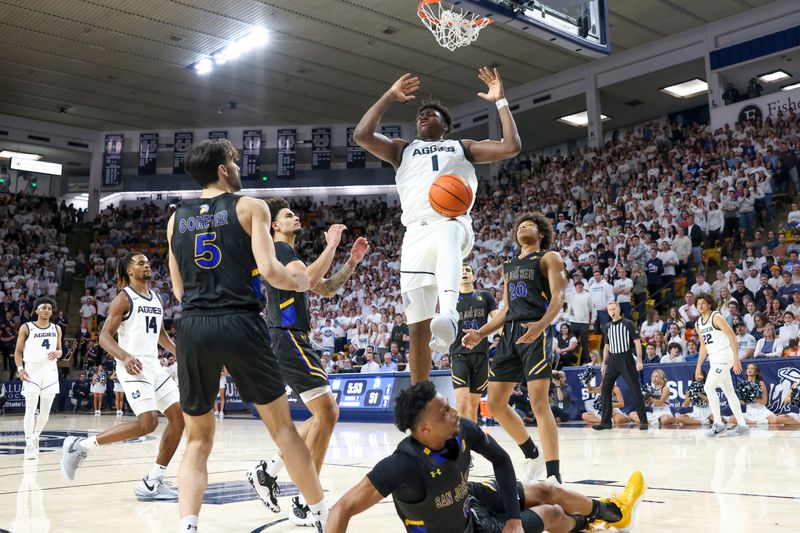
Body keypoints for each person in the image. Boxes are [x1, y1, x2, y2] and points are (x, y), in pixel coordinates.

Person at [165, 138, 328, 531]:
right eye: (235, 161)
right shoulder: (251, 206)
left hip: (193, 325)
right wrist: (301, 283)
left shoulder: (175, 219)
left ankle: (188, 524)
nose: (238, 168)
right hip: (239, 321)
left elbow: (178, 290)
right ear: (223, 168)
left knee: (198, 440)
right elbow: (272, 273)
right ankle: (320, 514)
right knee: (284, 429)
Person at [354, 67, 521, 383]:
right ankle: (420, 396)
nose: (423, 118)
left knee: (446, 230)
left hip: (452, 221)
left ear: (445, 126)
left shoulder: (463, 147)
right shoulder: (402, 149)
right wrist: (390, 95)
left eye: (431, 115)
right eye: (420, 115)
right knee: (417, 327)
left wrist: (501, 102)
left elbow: (510, 146)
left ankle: (450, 314)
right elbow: (361, 135)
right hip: (415, 233)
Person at [326, 381, 645, 533]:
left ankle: (615, 512)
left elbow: (503, 460)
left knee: (547, 489)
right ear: (423, 430)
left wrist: (514, 519)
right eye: (444, 411)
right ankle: (585, 525)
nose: (454, 412)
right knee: (550, 512)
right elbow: (341, 509)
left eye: (449, 405)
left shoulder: (460, 429)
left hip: (468, 499)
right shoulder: (403, 465)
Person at [247, 196, 368, 525]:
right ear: (275, 225)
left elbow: (326, 288)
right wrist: (331, 245)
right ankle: (306, 501)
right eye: (288, 215)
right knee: (327, 412)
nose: (295, 217)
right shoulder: (280, 250)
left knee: (320, 417)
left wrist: (351, 263)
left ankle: (271, 472)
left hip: (292, 337)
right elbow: (311, 281)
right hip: (286, 336)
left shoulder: (289, 255)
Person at [61, 252, 186, 501]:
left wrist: (180, 354)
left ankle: (152, 482)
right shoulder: (123, 298)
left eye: (147, 261)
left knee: (179, 418)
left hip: (154, 367)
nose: (146, 264)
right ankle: (80, 446)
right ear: (129, 271)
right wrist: (126, 357)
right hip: (132, 366)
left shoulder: (157, 297)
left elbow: (161, 335)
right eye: (140, 262)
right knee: (147, 424)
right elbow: (105, 336)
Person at [463, 212, 566, 484]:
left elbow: (559, 296)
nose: (523, 227)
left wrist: (541, 326)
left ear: (541, 233)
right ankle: (532, 454)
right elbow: (505, 310)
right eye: (519, 225)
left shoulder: (548, 258)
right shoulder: (508, 265)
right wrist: (480, 333)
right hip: (509, 335)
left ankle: (554, 474)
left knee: (539, 402)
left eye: (529, 224)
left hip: (536, 330)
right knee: (495, 403)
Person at [693, 293, 749, 437]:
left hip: (725, 355)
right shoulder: (698, 323)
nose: (700, 305)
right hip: (714, 359)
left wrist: (736, 360)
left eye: (703, 303)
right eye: (698, 303)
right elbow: (703, 346)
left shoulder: (716, 317)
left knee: (708, 387)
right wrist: (698, 366)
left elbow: (732, 336)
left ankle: (718, 423)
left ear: (709, 304)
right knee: (729, 391)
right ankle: (742, 424)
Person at [14, 297, 62, 459]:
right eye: (43, 307)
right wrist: (20, 369)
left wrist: (58, 353)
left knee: (46, 411)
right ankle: (29, 443)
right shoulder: (26, 327)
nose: (47, 310)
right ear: (36, 310)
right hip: (32, 370)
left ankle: (36, 436)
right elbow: (18, 352)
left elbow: (60, 350)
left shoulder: (57, 328)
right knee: (30, 408)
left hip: (50, 371)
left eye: (49, 308)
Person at [449, 264, 497, 422]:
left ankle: (471, 440)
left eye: (468, 270)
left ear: (474, 277)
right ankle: (462, 442)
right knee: (462, 402)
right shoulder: (450, 300)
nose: (464, 272)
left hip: (481, 354)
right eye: (461, 270)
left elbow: (497, 321)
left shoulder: (485, 296)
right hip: (459, 354)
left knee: (473, 405)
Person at [593, 301, 649, 431]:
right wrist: (603, 363)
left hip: (626, 358)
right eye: (609, 310)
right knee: (605, 389)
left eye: (614, 308)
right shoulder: (607, 327)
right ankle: (606, 422)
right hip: (612, 360)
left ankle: (643, 421)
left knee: (635, 389)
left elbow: (637, 342)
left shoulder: (628, 323)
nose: (612, 311)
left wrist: (639, 360)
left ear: (618, 309)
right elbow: (606, 346)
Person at [729, 363, 800, 426]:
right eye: (748, 368)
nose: (749, 370)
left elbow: (764, 401)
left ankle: (757, 422)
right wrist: (744, 400)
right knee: (732, 418)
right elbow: (742, 402)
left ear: (756, 372)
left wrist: (752, 398)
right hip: (749, 411)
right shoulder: (743, 384)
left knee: (774, 420)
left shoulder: (760, 383)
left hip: (761, 411)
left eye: (752, 369)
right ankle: (756, 422)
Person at [566, 279, 594, 360]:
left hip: (584, 323)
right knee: (573, 341)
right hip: (573, 322)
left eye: (581, 285)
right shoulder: (571, 295)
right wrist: (570, 316)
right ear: (575, 287)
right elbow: (568, 306)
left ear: (583, 287)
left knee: (584, 342)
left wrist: (593, 319)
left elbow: (593, 308)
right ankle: (573, 359)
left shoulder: (588, 295)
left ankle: (586, 360)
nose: (580, 287)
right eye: (578, 285)